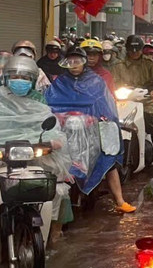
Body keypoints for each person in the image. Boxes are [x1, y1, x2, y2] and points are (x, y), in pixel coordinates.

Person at [0, 55, 72, 247]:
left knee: (58, 185)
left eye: (26, 78)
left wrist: (54, 141)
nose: (20, 81)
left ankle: (55, 231)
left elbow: (52, 128)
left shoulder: (38, 101)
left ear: (33, 81)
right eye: (15, 76)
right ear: (5, 78)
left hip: (31, 155)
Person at [46, 47, 135, 213]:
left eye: (77, 61)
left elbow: (106, 106)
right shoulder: (59, 83)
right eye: (70, 62)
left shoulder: (96, 81)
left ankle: (120, 201)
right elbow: (49, 106)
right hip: (66, 133)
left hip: (92, 131)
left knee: (108, 161)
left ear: (84, 62)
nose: (73, 65)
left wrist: (101, 120)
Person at [111, 35, 153, 156]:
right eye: (131, 50)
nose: (134, 53)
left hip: (145, 101)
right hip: (124, 100)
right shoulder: (118, 65)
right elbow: (112, 82)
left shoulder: (149, 63)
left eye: (137, 50)